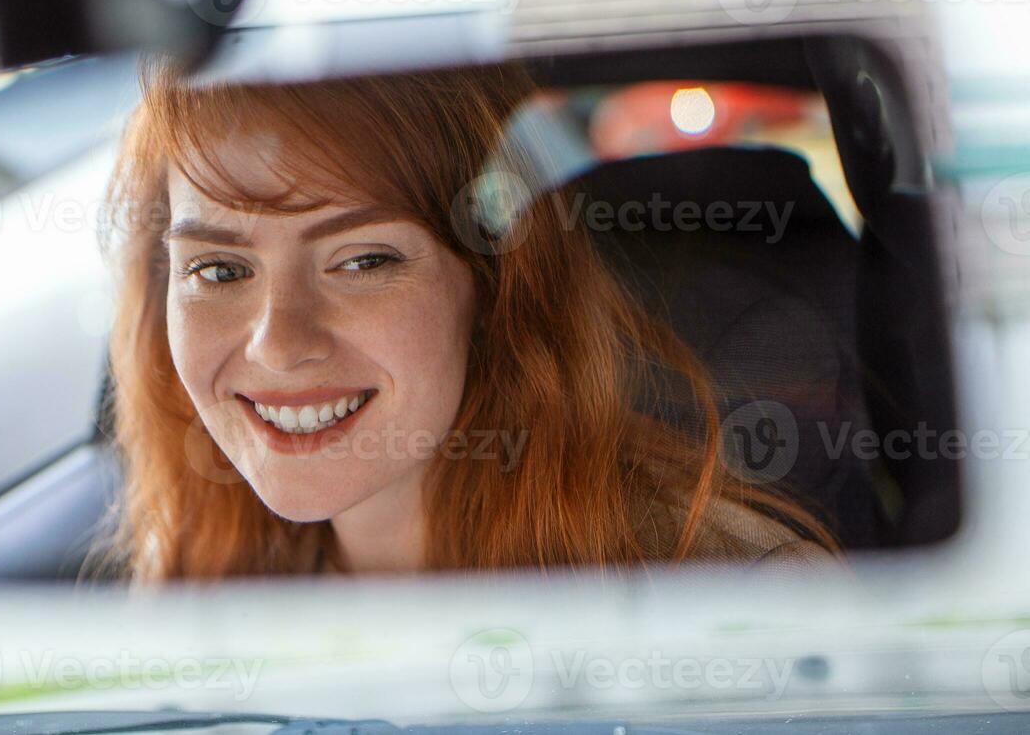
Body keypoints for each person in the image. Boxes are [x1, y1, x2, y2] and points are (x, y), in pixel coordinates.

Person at [98, 60, 836, 581]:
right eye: (220, 271)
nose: (279, 345)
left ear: (494, 287)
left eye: (364, 262)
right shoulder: (197, 582)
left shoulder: (737, 592)